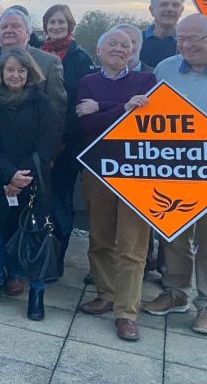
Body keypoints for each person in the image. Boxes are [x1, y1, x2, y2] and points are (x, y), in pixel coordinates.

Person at [76, 28, 156, 341]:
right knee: (100, 238)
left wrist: (104, 107)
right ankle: (105, 294)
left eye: (126, 44)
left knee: (133, 246)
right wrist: (123, 107)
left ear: (133, 51)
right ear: (99, 51)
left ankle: (126, 312)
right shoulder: (87, 82)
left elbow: (143, 121)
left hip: (137, 173)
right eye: (113, 43)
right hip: (98, 170)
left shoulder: (146, 82)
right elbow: (87, 123)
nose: (120, 48)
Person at [142, 14, 207, 336]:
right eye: (181, 39)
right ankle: (176, 293)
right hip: (172, 167)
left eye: (193, 39)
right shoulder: (167, 68)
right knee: (172, 234)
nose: (185, 46)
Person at [0, 48, 59, 320]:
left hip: (33, 181)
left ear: (29, 72)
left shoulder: (41, 102)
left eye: (21, 70)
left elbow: (47, 145)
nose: (15, 75)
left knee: (35, 235)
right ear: (0, 72)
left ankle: (36, 292)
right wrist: (8, 175)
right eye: (10, 69)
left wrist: (20, 178)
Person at [41, 4, 95, 272]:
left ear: (70, 25)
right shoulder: (38, 53)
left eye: (61, 22)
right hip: (38, 140)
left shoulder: (80, 57)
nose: (56, 26)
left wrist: (59, 141)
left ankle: (56, 258)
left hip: (66, 143)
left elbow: (80, 101)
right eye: (51, 22)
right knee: (37, 198)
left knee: (60, 200)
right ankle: (35, 250)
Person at [0, 8, 67, 127]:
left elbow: (56, 110)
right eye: (4, 27)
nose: (8, 30)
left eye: (15, 26)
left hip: (29, 138)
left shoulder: (49, 63)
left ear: (28, 32)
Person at [141, 0, 185, 68]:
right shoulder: (136, 41)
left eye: (175, 5)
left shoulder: (188, 43)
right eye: (164, 4)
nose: (170, 9)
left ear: (181, 10)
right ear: (152, 10)